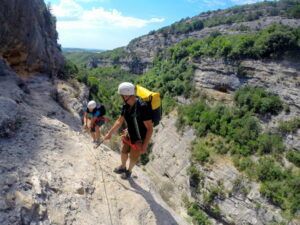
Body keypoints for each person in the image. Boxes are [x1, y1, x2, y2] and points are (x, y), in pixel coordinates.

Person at [104, 82, 153, 179]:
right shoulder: (126, 106)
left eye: (121, 95)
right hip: (129, 134)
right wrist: (109, 133)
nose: (121, 97)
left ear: (126, 95)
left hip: (139, 139)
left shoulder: (142, 108)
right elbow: (119, 121)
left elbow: (150, 129)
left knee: (133, 157)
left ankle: (129, 171)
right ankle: (123, 166)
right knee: (123, 152)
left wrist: (145, 145)